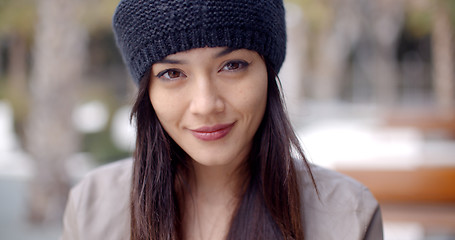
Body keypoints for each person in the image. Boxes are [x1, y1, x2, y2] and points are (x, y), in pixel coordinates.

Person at [61, 0, 383, 239]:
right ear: (148, 91)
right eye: (173, 73)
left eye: (232, 66)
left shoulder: (347, 218)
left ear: (268, 73)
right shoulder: (92, 209)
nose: (205, 105)